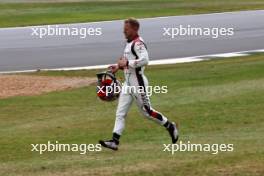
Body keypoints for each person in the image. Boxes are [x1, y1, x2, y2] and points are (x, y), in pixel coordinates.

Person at [99, 18, 179, 150]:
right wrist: (117, 67)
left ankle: (171, 126)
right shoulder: (128, 43)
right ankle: (114, 141)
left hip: (138, 83)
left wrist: (127, 64)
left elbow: (145, 60)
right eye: (124, 29)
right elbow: (127, 61)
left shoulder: (138, 43)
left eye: (127, 29)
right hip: (128, 83)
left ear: (135, 29)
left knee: (147, 112)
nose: (124, 31)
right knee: (120, 113)